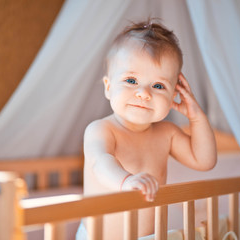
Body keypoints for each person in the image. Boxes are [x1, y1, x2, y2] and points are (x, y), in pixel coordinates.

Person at [76, 19, 217, 240]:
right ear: (108, 87)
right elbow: (99, 163)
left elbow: (204, 160)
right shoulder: (102, 130)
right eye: (131, 80)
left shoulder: (167, 134)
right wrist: (126, 181)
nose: (144, 93)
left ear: (173, 96)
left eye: (158, 86)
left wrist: (196, 116)